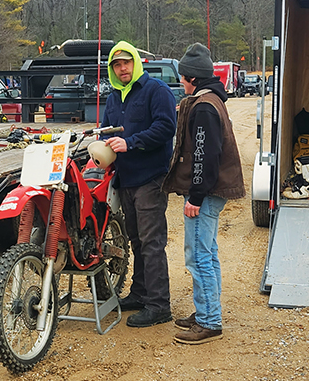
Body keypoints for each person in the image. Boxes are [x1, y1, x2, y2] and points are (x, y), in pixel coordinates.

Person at [162, 43, 245, 344]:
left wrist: (195, 197)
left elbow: (204, 156)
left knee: (198, 257)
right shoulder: (210, 101)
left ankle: (210, 322)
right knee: (207, 253)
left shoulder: (204, 108)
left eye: (183, 77)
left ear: (193, 78)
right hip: (211, 190)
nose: (181, 82)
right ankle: (205, 312)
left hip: (205, 193)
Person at [102, 41, 177, 328]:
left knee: (151, 243)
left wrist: (130, 142)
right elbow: (108, 131)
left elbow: (165, 126)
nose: (122, 68)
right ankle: (141, 292)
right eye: (117, 65)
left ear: (136, 62)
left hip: (150, 178)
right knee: (135, 240)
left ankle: (159, 305)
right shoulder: (113, 98)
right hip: (125, 180)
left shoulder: (156, 90)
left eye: (126, 63)